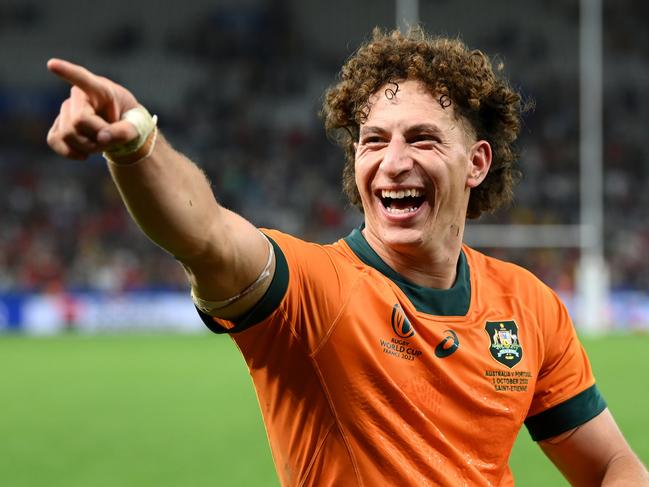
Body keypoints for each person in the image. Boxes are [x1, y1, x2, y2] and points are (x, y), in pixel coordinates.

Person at [46, 27, 648, 486]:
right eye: (373, 140)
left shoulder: (530, 305)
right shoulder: (312, 292)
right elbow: (205, 235)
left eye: (422, 138)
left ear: (477, 163)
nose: (392, 161)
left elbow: (611, 464)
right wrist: (137, 145)